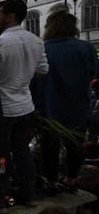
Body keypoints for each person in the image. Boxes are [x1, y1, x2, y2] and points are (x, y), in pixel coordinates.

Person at [0, 0, 49, 212]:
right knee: (22, 152)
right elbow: (43, 69)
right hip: (26, 106)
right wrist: (22, 75)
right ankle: (28, 195)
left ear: (10, 16)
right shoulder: (35, 41)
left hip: (3, 110)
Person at [31, 10, 97, 192]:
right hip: (78, 106)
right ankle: (71, 179)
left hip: (48, 106)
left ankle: (51, 182)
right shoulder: (86, 48)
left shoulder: (41, 49)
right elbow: (93, 74)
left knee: (49, 146)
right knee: (76, 145)